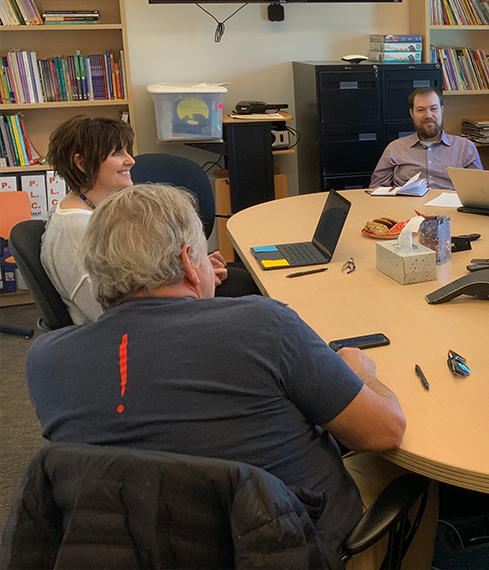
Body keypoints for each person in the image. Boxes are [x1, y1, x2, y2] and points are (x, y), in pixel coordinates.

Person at [25, 184, 409, 570]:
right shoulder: (263, 324)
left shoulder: (44, 361)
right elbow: (383, 431)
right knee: (402, 468)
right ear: (189, 263)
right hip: (294, 547)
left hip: (136, 553)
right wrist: (360, 373)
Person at [41, 116, 256, 325]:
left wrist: (196, 267)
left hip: (154, 304)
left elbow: (138, 268)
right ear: (82, 163)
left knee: (242, 279)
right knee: (248, 294)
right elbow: (113, 315)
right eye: (117, 153)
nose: (131, 160)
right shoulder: (75, 232)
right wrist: (196, 282)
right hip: (139, 332)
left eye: (127, 151)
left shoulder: (94, 208)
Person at [369, 86, 482, 190]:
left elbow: (479, 189)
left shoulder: (465, 148)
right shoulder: (395, 148)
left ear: (442, 111)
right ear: (411, 114)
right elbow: (376, 190)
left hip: (450, 209)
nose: (428, 115)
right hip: (407, 210)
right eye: (421, 110)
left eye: (433, 108)